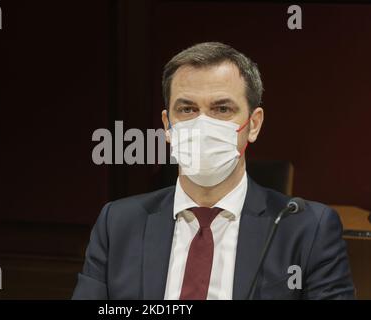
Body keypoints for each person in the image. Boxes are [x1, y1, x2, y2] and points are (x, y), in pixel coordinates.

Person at [72, 42, 355, 300]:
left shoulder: (308, 229)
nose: (202, 124)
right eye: (187, 109)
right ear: (167, 126)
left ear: (253, 124)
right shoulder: (118, 223)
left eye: (221, 109)